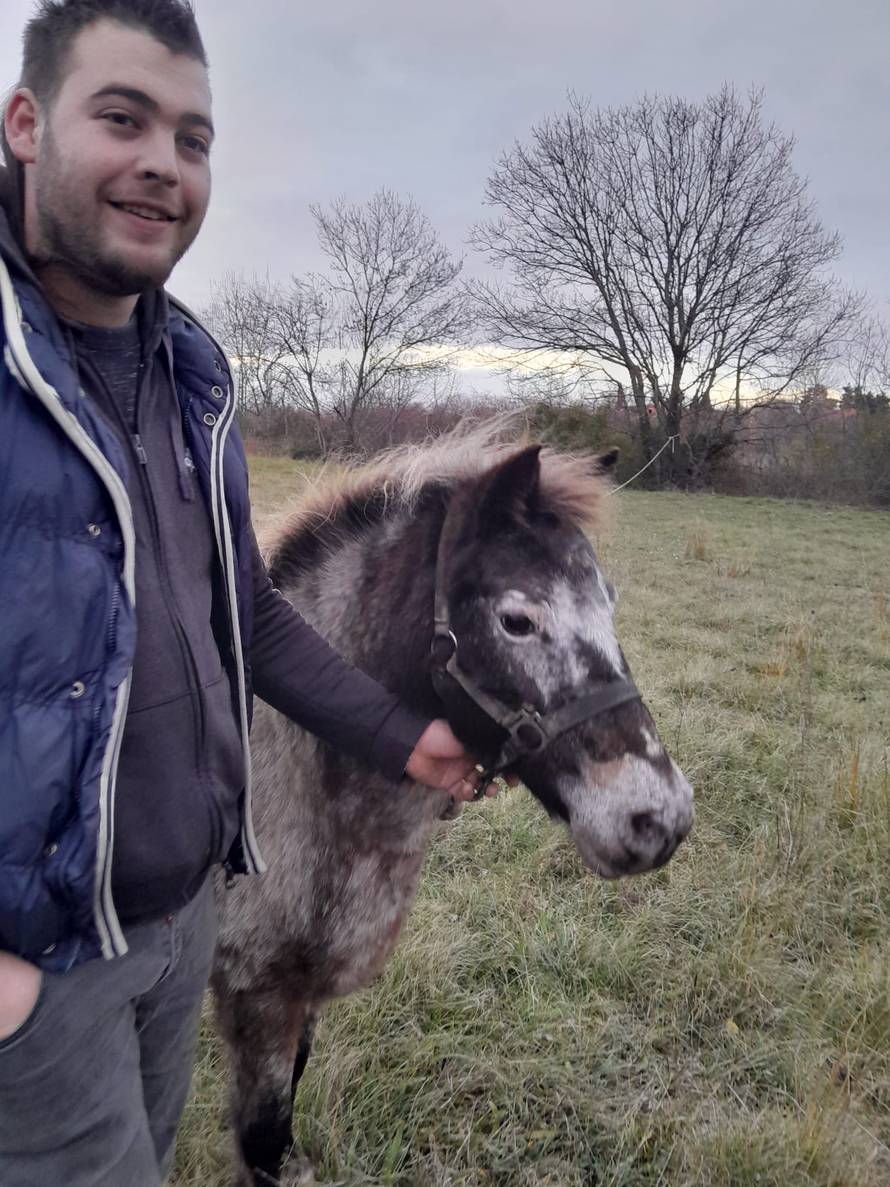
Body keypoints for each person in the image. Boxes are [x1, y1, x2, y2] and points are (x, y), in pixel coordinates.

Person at [0, 2, 489, 1182]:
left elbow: (248, 613)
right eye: (121, 117)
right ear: (25, 122)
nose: (162, 162)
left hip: (183, 919)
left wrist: (400, 734)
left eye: (193, 137)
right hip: (36, 965)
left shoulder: (194, 376)